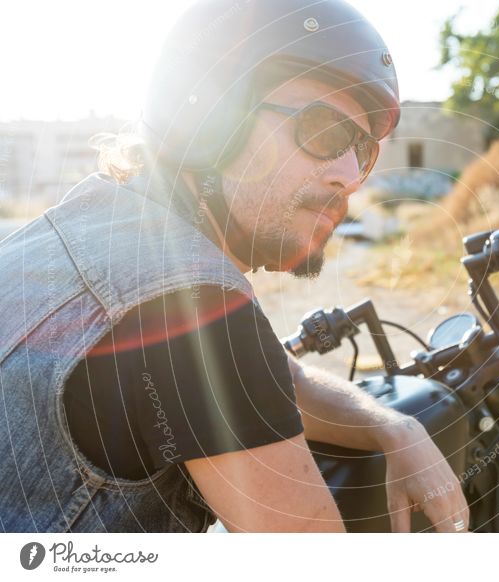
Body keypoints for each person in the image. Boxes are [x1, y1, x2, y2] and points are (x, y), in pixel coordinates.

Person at [0, 0, 468, 533]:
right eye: (323, 131)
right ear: (211, 122)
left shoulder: (75, 232)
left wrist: (392, 427)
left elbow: (274, 374)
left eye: (363, 151)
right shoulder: (189, 298)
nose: (348, 175)